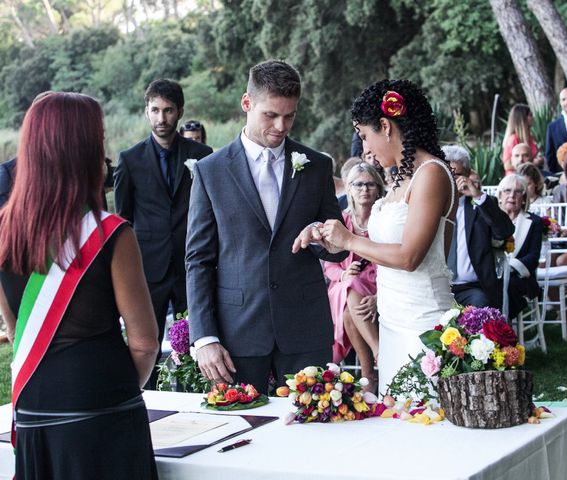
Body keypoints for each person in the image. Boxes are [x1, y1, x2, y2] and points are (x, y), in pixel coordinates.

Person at [0, 92, 159, 479]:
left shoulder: (3, 231)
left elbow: (13, 327)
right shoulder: (110, 234)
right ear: (84, 150)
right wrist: (115, 390)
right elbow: (145, 342)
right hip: (104, 408)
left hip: (35, 406)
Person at [187, 60, 347, 394]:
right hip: (238, 332)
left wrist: (321, 234)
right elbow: (198, 260)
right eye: (270, 115)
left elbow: (338, 247)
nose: (281, 126)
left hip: (305, 328)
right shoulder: (210, 171)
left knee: (316, 437)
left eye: (289, 116)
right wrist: (204, 338)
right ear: (247, 103)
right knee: (241, 434)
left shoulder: (317, 166)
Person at [313, 79, 457, 394]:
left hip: (422, 323)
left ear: (385, 126)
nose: (366, 149)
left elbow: (409, 256)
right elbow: (382, 248)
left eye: (365, 136)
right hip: (390, 321)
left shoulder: (431, 174)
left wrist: (349, 240)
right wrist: (330, 238)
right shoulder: (397, 181)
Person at [114, 79, 212, 388]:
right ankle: (144, 399)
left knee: (198, 337)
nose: (162, 118)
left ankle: (197, 394)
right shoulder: (129, 160)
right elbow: (123, 220)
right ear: (146, 112)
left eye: (168, 110)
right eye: (155, 110)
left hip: (191, 263)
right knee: (147, 340)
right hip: (148, 267)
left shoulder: (203, 154)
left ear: (179, 112)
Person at [322, 162, 383, 389]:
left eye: (370, 184)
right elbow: (330, 265)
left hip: (380, 285)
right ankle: (376, 356)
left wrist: (380, 298)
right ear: (349, 189)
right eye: (358, 184)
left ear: (378, 188)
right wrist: (343, 273)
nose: (364, 189)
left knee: (349, 311)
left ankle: (368, 373)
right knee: (350, 284)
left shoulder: (383, 221)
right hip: (345, 283)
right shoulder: (343, 222)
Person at [444, 145, 515, 309]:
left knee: (480, 305)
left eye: (457, 174)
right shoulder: (432, 207)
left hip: (473, 287)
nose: (451, 179)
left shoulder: (480, 205)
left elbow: (504, 231)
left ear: (468, 175)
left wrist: (477, 195)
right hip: (439, 288)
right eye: (447, 173)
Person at [496, 175, 543, 319]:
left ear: (523, 198)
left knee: (506, 287)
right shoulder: (489, 220)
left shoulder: (534, 222)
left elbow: (533, 257)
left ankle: (502, 329)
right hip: (493, 273)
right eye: (507, 191)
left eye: (517, 191)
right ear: (500, 195)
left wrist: (509, 268)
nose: (511, 195)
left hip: (521, 277)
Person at [502, 104, 538, 175]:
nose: (533, 118)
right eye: (530, 115)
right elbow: (507, 165)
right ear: (523, 119)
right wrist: (533, 164)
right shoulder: (513, 139)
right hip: (517, 178)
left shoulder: (530, 137)